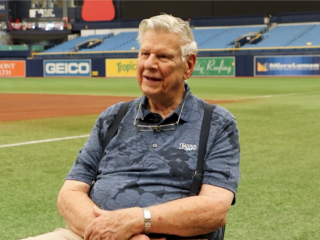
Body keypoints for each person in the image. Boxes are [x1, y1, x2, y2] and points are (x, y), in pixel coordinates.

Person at [21, 14, 240, 240]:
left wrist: (138, 221)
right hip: (94, 234)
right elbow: (70, 193)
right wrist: (114, 233)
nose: (149, 64)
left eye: (163, 56)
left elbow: (214, 210)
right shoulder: (113, 116)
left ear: (189, 65)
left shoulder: (216, 123)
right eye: (145, 53)